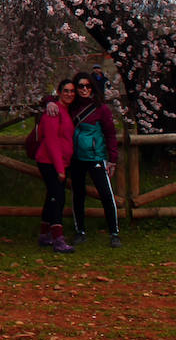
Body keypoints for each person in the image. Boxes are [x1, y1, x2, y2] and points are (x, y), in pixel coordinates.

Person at [68, 72, 121, 248]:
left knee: (106, 194)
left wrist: (112, 158)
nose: (84, 89)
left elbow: (110, 134)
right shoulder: (71, 107)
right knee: (78, 195)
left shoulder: (101, 109)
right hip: (76, 158)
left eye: (87, 86)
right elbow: (51, 99)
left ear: (93, 87)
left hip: (95, 157)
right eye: (80, 86)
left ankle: (114, 232)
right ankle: (80, 231)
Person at [35, 79, 77, 253]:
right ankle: (58, 238)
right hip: (50, 161)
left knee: (52, 196)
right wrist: (60, 168)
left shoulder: (65, 110)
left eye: (72, 91)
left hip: (60, 160)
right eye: (66, 91)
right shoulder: (53, 111)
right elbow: (52, 141)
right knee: (57, 198)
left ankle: (45, 234)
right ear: (59, 92)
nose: (69, 94)